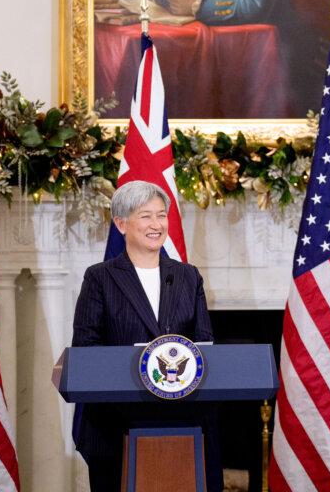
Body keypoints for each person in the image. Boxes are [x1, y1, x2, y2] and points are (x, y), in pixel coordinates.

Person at [71, 180, 220, 492]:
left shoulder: (187, 276)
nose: (157, 225)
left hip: (183, 419)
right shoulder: (100, 278)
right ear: (121, 224)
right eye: (146, 216)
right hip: (116, 422)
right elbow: (86, 348)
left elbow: (205, 345)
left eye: (162, 215)